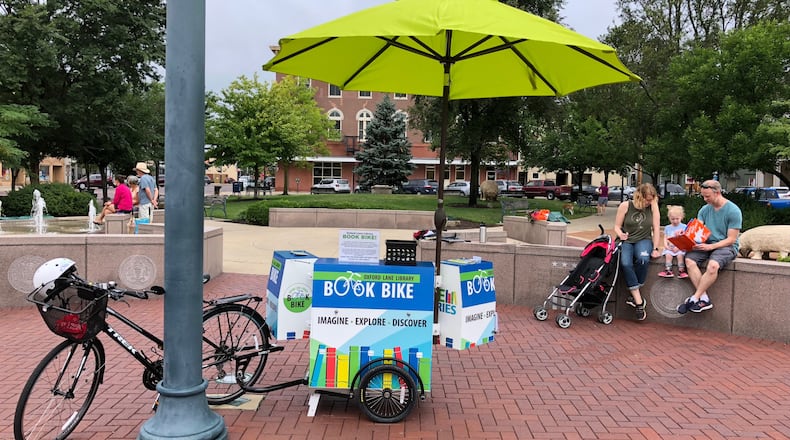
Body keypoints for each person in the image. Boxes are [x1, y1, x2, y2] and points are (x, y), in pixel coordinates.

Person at [677, 179, 742, 314]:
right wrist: (685, 236)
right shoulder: (704, 210)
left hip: (726, 246)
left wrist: (711, 248)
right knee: (689, 260)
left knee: (713, 266)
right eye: (703, 196)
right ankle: (704, 298)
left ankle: (694, 298)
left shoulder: (733, 211)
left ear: (717, 193)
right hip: (707, 243)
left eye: (707, 196)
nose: (705, 199)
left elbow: (731, 239)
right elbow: (697, 230)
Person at [613, 183, 661, 321]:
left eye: (651, 200)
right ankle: (639, 300)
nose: (648, 202)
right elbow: (616, 226)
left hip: (644, 239)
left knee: (643, 259)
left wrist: (655, 248)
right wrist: (620, 234)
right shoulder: (625, 206)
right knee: (625, 263)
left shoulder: (653, 207)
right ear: (639, 196)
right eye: (647, 200)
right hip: (627, 239)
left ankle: (636, 298)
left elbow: (656, 229)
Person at [659, 205, 688, 278]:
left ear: (681, 217)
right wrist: (666, 246)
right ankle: (668, 270)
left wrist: (679, 247)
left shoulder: (684, 227)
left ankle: (681, 270)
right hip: (670, 247)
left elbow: (684, 239)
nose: (675, 221)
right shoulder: (667, 227)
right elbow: (665, 238)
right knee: (668, 255)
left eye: (677, 219)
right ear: (669, 218)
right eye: (672, 219)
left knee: (680, 256)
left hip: (679, 248)